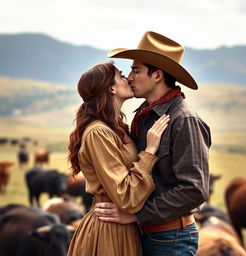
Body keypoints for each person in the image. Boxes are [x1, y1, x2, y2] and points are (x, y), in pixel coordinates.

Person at [94, 31, 212, 255]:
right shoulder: (145, 117)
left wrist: (136, 215)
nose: (129, 77)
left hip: (170, 238)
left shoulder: (184, 121)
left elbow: (194, 190)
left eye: (136, 70)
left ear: (157, 76)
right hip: (148, 234)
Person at [67, 62, 170, 256]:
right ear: (111, 88)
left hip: (121, 226)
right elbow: (125, 197)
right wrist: (149, 151)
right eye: (121, 75)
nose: (128, 78)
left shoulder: (115, 128)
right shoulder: (99, 133)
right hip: (108, 231)